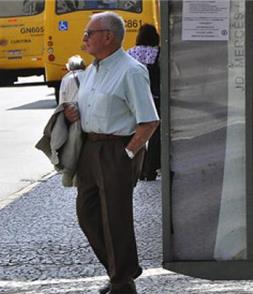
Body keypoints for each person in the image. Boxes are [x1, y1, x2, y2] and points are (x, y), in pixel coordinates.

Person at [62, 12, 159, 294]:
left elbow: (149, 121)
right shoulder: (92, 70)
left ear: (108, 36)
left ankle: (122, 282)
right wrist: (73, 113)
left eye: (89, 33)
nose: (84, 38)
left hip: (117, 147)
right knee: (87, 214)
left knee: (116, 218)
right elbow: (91, 107)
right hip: (90, 148)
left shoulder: (131, 70)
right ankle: (123, 270)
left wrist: (128, 154)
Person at [127, 24, 160, 181]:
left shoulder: (130, 53)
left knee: (136, 134)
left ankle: (137, 169)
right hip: (154, 98)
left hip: (133, 99)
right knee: (153, 135)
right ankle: (150, 169)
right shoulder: (158, 52)